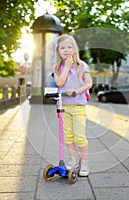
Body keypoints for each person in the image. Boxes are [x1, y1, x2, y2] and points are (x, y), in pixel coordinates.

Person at [53, 34, 93, 176]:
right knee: (68, 136)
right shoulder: (58, 67)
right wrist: (67, 66)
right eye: (62, 48)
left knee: (80, 136)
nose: (66, 50)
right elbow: (59, 83)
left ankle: (85, 163)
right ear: (58, 51)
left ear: (74, 49)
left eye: (69, 47)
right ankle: (73, 160)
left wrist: (77, 91)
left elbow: (89, 83)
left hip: (78, 106)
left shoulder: (82, 65)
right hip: (64, 106)